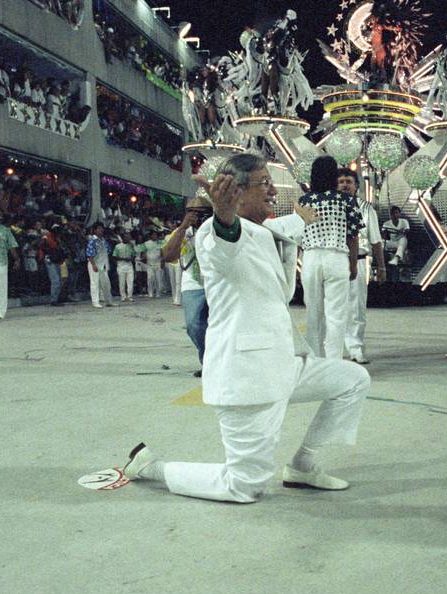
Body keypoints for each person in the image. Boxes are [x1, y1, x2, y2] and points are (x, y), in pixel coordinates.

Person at [122, 152, 370, 502]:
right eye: (264, 183)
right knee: (243, 486)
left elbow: (281, 229)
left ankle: (303, 465)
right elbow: (226, 243)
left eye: (271, 182)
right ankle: (149, 467)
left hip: (284, 365)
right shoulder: (216, 232)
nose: (272, 190)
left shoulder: (264, 230)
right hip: (248, 377)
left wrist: (302, 218)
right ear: (236, 191)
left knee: (353, 380)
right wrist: (223, 214)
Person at [299, 156, 364, 359]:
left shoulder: (304, 201)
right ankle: (334, 361)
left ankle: (315, 360)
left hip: (310, 258)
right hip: (336, 257)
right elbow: (352, 235)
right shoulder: (346, 200)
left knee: (313, 313)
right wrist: (353, 264)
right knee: (336, 315)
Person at [339, 167, 386, 365]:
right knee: (333, 307)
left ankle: (355, 347)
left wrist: (381, 267)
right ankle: (331, 348)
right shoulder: (329, 207)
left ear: (357, 186)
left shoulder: (366, 209)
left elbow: (376, 240)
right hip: (335, 262)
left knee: (356, 308)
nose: (344, 185)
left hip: (358, 262)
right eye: (340, 181)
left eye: (348, 182)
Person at [162, 198, 212, 377]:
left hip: (217, 283)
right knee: (193, 325)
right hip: (193, 283)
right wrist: (183, 228)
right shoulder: (181, 232)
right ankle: (207, 359)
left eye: (202, 213)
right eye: (193, 212)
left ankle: (214, 364)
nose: (197, 217)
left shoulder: (217, 229)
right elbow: (168, 256)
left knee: (221, 325)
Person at [86, 223, 114, 308]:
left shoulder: (103, 240)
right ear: (94, 230)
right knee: (95, 283)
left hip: (103, 264)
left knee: (106, 283)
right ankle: (95, 302)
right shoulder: (92, 240)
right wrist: (93, 265)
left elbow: (107, 252)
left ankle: (109, 301)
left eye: (101, 228)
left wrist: (105, 264)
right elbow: (89, 254)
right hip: (94, 263)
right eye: (98, 228)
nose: (101, 230)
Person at [111, 230, 137, 302]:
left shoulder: (131, 246)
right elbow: (114, 256)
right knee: (122, 282)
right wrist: (123, 259)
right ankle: (123, 296)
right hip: (121, 265)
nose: (128, 238)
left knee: (130, 281)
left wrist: (131, 259)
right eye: (126, 237)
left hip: (129, 265)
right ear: (123, 238)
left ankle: (130, 296)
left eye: (129, 237)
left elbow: (134, 255)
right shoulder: (118, 246)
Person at [142, 231, 165, 298]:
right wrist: (144, 259)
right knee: (150, 278)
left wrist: (162, 261)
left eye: (156, 235)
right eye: (154, 235)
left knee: (158, 279)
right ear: (150, 236)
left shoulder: (160, 243)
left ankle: (158, 293)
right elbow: (144, 252)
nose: (155, 236)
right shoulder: (146, 243)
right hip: (150, 263)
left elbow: (162, 252)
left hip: (158, 262)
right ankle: (150, 292)